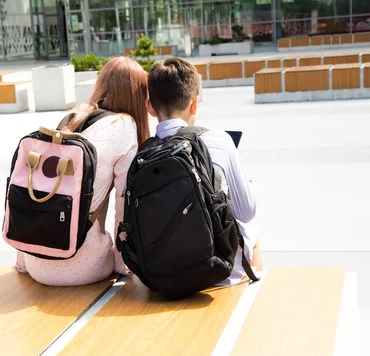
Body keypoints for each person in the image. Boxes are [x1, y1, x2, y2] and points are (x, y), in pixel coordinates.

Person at [15, 56, 149, 285]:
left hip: (35, 260)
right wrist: (120, 262)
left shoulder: (73, 118)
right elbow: (122, 207)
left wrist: (23, 261)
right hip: (83, 266)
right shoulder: (125, 125)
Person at [146, 57, 262, 283]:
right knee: (254, 235)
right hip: (218, 271)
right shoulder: (220, 141)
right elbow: (246, 212)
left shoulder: (142, 156)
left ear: (150, 107)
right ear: (194, 104)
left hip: (162, 277)